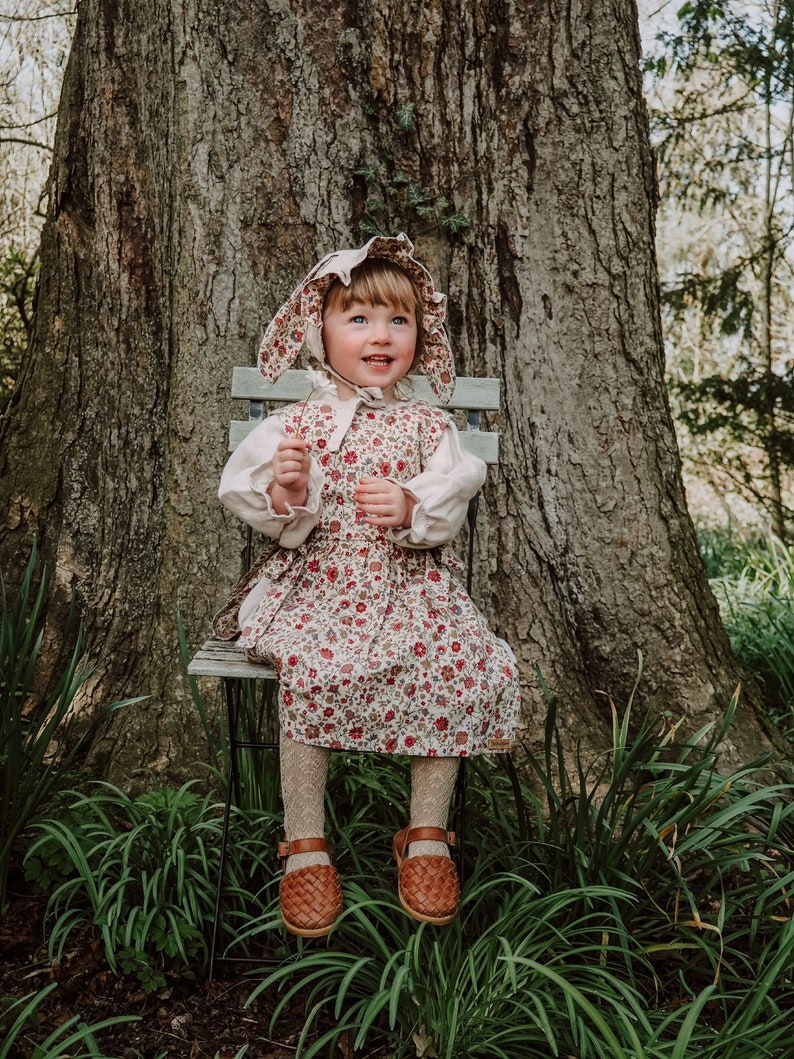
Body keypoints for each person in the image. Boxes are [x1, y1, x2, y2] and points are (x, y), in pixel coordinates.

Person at [214, 233, 520, 937]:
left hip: (408, 583)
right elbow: (253, 493)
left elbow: (454, 489)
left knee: (456, 664)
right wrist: (291, 488)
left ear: (420, 334)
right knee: (310, 666)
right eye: (359, 318)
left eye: (399, 320)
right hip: (320, 581)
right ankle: (305, 842)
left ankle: (426, 834)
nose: (380, 335)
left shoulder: (426, 423)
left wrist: (415, 509)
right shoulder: (300, 422)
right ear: (319, 329)